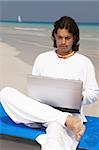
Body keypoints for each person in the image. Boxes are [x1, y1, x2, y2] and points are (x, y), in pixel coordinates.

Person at [0, 16, 99, 150]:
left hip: (69, 113)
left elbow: (93, 94)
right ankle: (66, 120)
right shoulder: (42, 58)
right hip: (39, 112)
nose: (63, 42)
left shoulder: (84, 62)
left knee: (54, 139)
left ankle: (64, 120)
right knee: (6, 93)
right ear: (54, 36)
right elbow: (34, 90)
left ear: (74, 38)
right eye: (60, 37)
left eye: (67, 38)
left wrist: (80, 97)